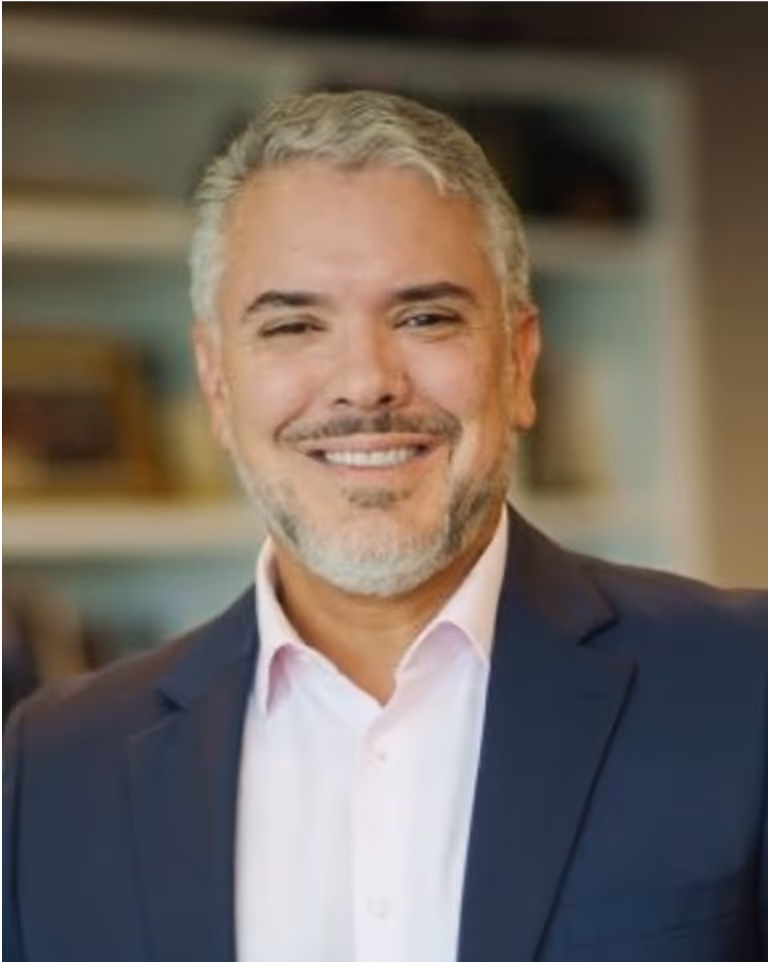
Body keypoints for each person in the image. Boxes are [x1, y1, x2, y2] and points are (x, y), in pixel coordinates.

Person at [2, 89, 766, 962]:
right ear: (217, 384)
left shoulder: (746, 687)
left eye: (424, 317)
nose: (365, 381)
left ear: (518, 362)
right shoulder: (56, 765)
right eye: (293, 324)